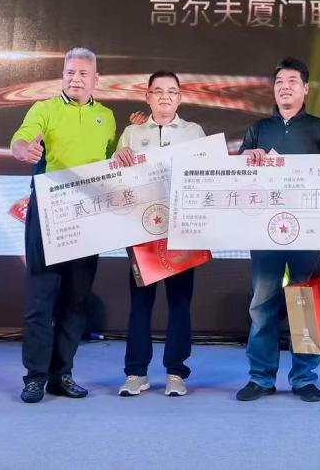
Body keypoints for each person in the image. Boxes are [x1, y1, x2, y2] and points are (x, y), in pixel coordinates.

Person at [10, 47, 117, 403]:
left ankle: (62, 375)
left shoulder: (107, 117)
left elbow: (111, 163)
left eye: (83, 73)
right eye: (70, 72)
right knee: (41, 298)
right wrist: (24, 149)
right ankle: (35, 377)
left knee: (75, 300)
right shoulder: (44, 109)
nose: (76, 79)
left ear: (96, 79)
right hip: (48, 211)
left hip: (88, 213)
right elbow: (21, 139)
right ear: (63, 75)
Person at [235, 57, 320, 403]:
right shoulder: (258, 129)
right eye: (279, 82)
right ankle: (260, 377)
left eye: (292, 81)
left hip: (307, 231)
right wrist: (247, 158)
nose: (285, 87)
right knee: (262, 306)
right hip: (265, 230)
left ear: (305, 88)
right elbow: (239, 176)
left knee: (304, 304)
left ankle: (304, 378)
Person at [111, 71, 205, 398]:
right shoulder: (132, 133)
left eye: (172, 91)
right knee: (140, 303)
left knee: (180, 303)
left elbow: (205, 177)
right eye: (158, 91)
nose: (165, 96)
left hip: (181, 231)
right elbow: (117, 179)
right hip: (142, 230)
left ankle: (176, 373)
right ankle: (136, 372)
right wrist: (117, 159)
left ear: (180, 97)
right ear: (147, 96)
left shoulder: (194, 132)